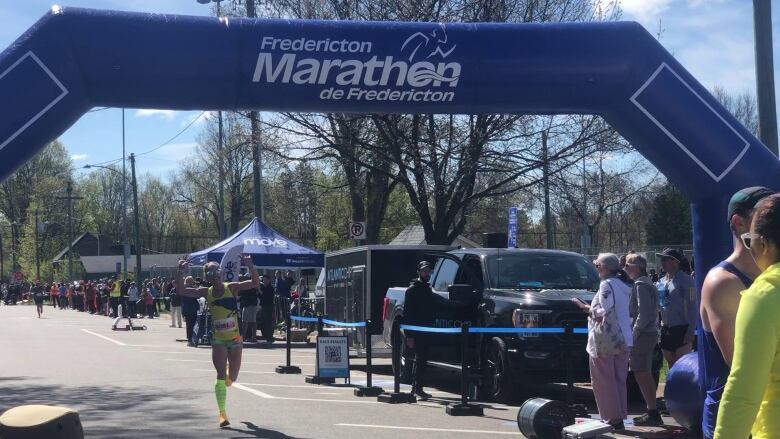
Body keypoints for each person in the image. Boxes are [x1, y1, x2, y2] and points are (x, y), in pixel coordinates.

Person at [700, 186, 774, 439]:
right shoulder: (723, 282)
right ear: (739, 222)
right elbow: (740, 366)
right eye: (762, 215)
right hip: (731, 413)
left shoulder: (770, 280)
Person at [176, 254, 259, 428]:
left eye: (216, 273)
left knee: (232, 378)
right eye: (210, 275)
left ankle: (230, 375)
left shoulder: (232, 287)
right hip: (218, 340)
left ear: (221, 274)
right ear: (207, 278)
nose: (214, 277)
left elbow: (254, 283)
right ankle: (222, 413)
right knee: (220, 375)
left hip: (235, 339)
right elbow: (182, 291)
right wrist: (181, 271)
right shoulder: (207, 292)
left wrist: (250, 266)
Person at [573, 253, 633, 430]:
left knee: (603, 379)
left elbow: (604, 311)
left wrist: (585, 308)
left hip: (607, 340)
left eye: (598, 266)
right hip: (624, 338)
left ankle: (612, 417)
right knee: (619, 379)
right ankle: (619, 414)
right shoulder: (625, 285)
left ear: (606, 268)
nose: (596, 269)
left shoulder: (606, 285)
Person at [624, 253, 662, 425]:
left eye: (628, 265)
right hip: (647, 333)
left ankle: (652, 411)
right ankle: (651, 410)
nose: (625, 268)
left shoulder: (641, 285)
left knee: (641, 372)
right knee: (642, 372)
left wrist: (634, 334)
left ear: (637, 267)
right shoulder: (645, 283)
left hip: (644, 335)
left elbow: (644, 313)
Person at [402, 261, 443, 400]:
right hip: (416, 331)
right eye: (424, 271)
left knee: (423, 360)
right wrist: (409, 336)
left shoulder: (428, 289)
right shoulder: (412, 290)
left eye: (428, 271)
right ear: (418, 272)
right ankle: (416, 388)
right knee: (419, 360)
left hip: (427, 330)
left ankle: (419, 388)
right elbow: (407, 314)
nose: (427, 273)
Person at [654, 248, 696, 368]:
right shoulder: (660, 282)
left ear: (675, 262)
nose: (662, 262)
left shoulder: (687, 281)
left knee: (682, 368)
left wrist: (691, 330)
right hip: (665, 329)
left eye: (665, 259)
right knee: (671, 368)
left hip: (682, 329)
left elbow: (693, 305)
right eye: (661, 259)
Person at [238, 274, 259, 342]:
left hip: (252, 305)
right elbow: (241, 295)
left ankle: (254, 337)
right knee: (244, 322)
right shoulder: (243, 286)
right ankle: (243, 337)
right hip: (245, 305)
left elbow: (254, 293)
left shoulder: (252, 285)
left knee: (252, 322)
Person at [181, 276, 199, 347]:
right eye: (191, 281)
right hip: (189, 309)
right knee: (190, 325)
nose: (192, 282)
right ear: (187, 281)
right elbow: (195, 295)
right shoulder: (186, 288)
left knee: (192, 325)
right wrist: (195, 288)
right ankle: (189, 340)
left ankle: (191, 338)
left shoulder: (189, 288)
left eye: (192, 281)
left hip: (192, 309)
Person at [258, 274, 275, 344]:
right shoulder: (262, 287)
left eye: (265, 280)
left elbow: (266, 296)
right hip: (263, 306)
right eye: (263, 280)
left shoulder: (271, 288)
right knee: (263, 321)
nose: (264, 281)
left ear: (269, 280)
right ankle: (264, 335)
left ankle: (270, 336)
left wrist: (259, 291)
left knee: (269, 321)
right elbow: (260, 296)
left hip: (269, 306)